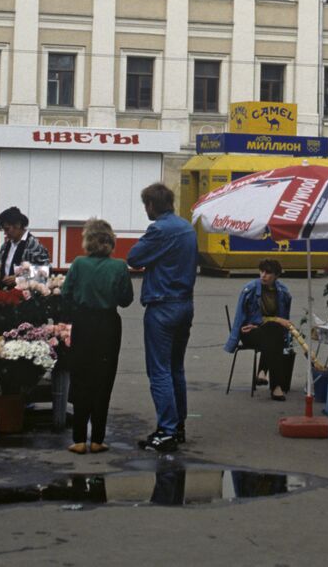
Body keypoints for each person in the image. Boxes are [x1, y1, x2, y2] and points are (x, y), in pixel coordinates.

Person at [127, 182, 198, 453]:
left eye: (146, 204)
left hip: (162, 305)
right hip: (185, 303)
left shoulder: (159, 229)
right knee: (176, 368)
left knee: (159, 371)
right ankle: (178, 426)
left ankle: (166, 430)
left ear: (152, 205)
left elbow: (134, 257)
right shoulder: (187, 228)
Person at [61, 218, 133, 454]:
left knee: (81, 378)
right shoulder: (120, 267)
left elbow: (66, 293)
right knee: (103, 380)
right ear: (110, 242)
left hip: (82, 324)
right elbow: (126, 299)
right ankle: (99, 438)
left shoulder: (79, 264)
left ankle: (79, 439)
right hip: (108, 325)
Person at [224, 258, 295, 400]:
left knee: (274, 331)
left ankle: (264, 373)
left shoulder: (283, 292)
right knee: (274, 334)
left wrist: (273, 323)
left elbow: (283, 320)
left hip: (270, 333)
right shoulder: (250, 289)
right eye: (261, 271)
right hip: (250, 332)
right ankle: (276, 386)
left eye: (268, 273)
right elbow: (240, 317)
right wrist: (236, 337)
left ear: (276, 276)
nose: (263, 275)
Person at [0, 206, 49, 287]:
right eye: (4, 230)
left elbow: (44, 272)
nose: (5, 233)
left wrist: (19, 279)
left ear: (18, 225)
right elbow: (7, 271)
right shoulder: (5, 246)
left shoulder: (34, 246)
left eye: (7, 229)